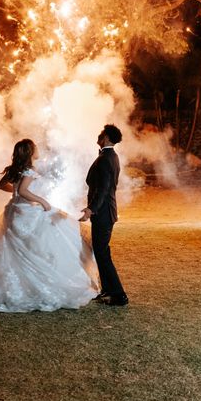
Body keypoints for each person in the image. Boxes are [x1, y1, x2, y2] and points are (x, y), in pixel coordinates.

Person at [0, 139, 98, 312]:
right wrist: (41, 200)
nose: (37, 150)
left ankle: (14, 289)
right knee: (38, 244)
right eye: (35, 148)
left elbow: (2, 185)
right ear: (29, 152)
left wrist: (16, 194)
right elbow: (24, 191)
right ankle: (36, 288)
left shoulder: (15, 169)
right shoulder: (29, 169)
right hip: (25, 212)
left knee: (13, 250)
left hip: (13, 211)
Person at [80, 124, 128, 306]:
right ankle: (108, 290)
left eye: (101, 134)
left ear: (106, 137)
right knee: (101, 252)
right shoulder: (110, 156)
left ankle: (119, 294)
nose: (98, 136)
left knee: (102, 252)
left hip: (104, 213)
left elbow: (103, 189)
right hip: (106, 212)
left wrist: (91, 209)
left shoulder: (106, 159)